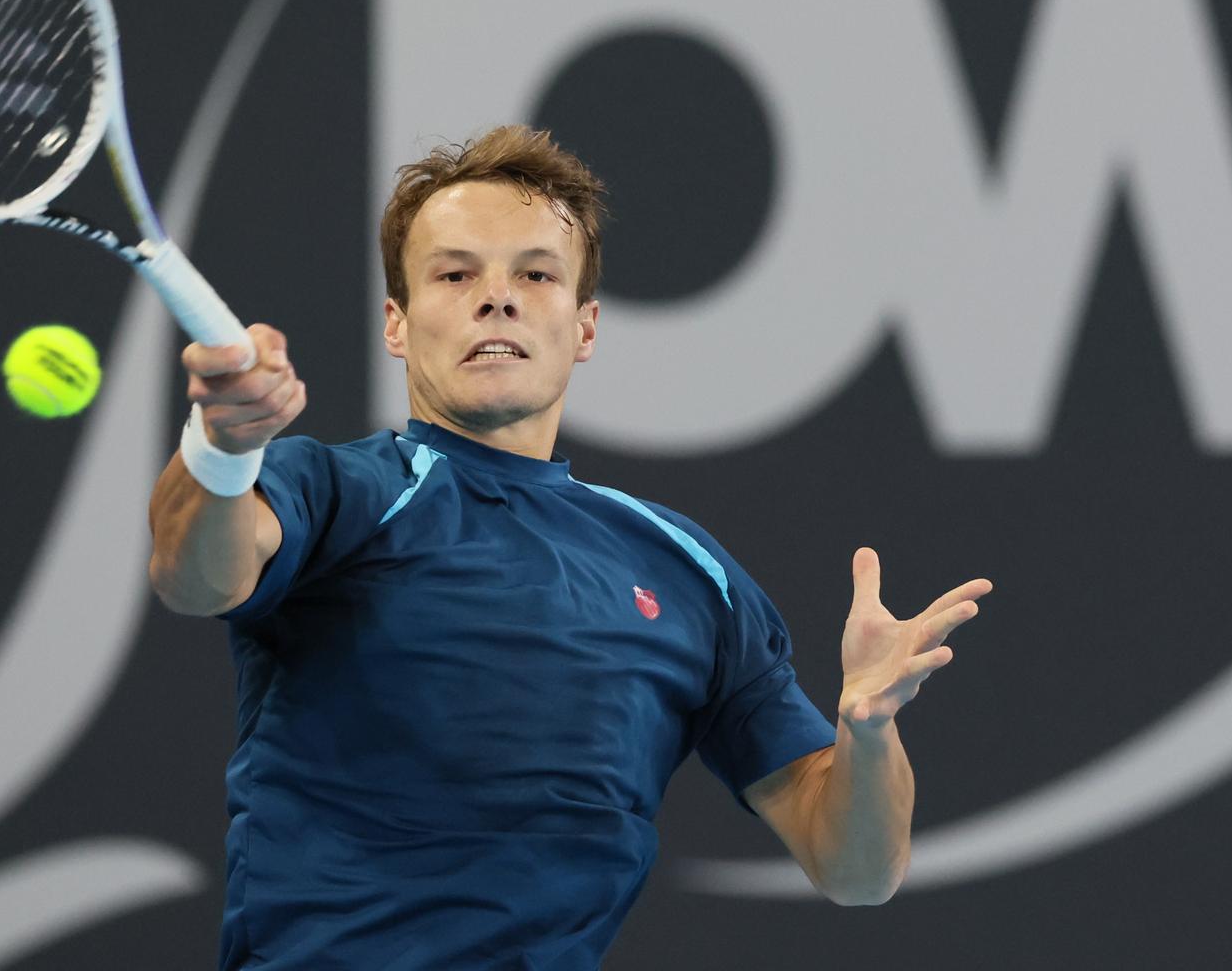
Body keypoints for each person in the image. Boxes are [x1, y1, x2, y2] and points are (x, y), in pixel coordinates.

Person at [147, 125, 991, 970]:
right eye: (455, 274)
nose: (497, 298)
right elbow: (196, 576)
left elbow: (856, 870)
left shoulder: (687, 573)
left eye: (536, 274)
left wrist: (867, 731)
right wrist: (223, 450)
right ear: (397, 323)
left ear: (585, 327)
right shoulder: (342, 493)